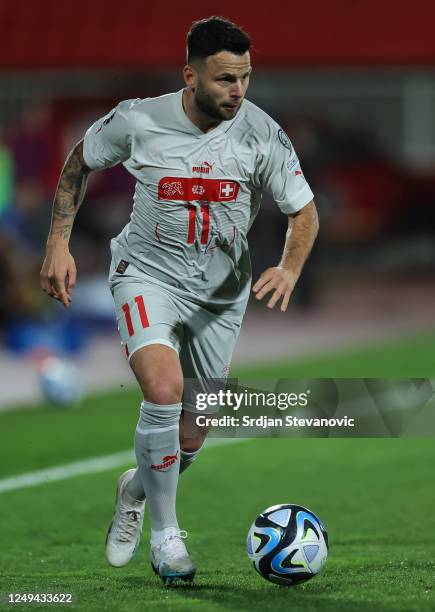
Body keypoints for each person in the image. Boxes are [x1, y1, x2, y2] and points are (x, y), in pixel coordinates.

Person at [40, 16, 319, 585]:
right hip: (146, 274)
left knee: (191, 437)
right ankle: (167, 537)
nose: (237, 90)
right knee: (163, 392)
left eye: (244, 77)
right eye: (224, 79)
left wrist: (289, 267)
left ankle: (135, 485)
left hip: (219, 296)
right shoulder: (139, 118)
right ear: (189, 76)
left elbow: (303, 210)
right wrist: (57, 244)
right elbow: (78, 163)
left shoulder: (262, 133)